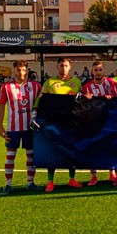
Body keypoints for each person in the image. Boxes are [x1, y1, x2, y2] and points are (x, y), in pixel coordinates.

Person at [38, 57, 84, 192]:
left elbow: (81, 102)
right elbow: (41, 100)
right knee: (52, 151)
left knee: (71, 151)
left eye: (65, 65)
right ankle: (50, 181)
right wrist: (36, 115)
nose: (63, 68)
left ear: (70, 67)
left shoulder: (76, 83)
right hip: (54, 123)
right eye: (61, 66)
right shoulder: (50, 82)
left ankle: (72, 179)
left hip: (71, 122)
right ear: (57, 67)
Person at [0, 60, 42, 195]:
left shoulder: (35, 86)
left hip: (30, 128)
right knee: (10, 156)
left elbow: (42, 103)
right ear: (14, 71)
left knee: (30, 156)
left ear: (26, 71)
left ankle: (30, 182)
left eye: (23, 70)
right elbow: (1, 106)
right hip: (13, 128)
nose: (21, 72)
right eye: (18, 70)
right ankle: (8, 184)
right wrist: (0, 126)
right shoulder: (6, 87)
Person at [81, 60, 116, 187]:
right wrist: (87, 99)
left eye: (100, 70)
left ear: (103, 71)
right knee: (93, 148)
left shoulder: (112, 83)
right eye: (96, 70)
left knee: (110, 147)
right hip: (94, 122)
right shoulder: (87, 87)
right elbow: (83, 106)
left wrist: (111, 98)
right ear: (92, 71)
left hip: (109, 121)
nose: (98, 72)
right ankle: (93, 176)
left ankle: (112, 173)